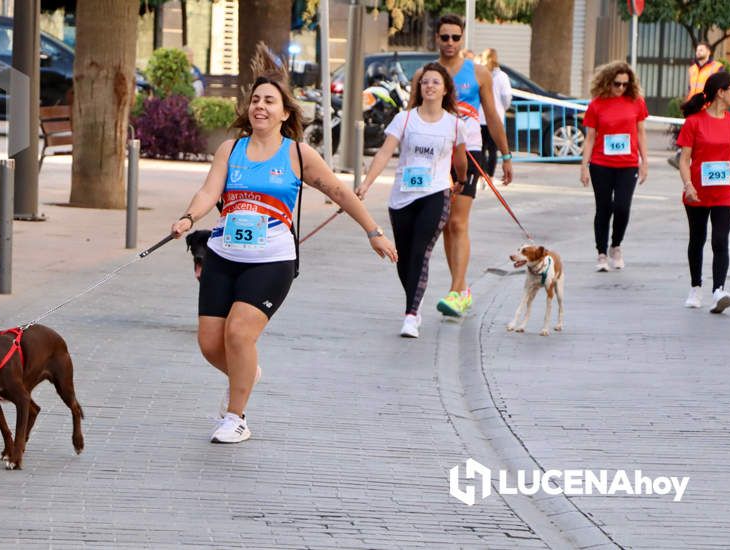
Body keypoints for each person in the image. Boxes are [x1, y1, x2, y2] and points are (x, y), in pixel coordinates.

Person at [170, 44, 398, 444]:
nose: (260, 106)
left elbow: (341, 194)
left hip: (272, 260)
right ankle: (246, 372)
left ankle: (235, 417)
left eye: (269, 101)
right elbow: (209, 192)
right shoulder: (231, 149)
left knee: (239, 334)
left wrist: (373, 232)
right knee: (210, 343)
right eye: (255, 100)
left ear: (285, 113)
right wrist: (190, 216)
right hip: (224, 254)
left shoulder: (297, 153)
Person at [410, 13, 515, 318]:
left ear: (462, 38)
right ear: (437, 39)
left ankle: (457, 291)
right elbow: (411, 116)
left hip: (468, 152)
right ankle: (462, 289)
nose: (451, 43)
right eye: (445, 37)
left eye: (456, 37)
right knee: (444, 225)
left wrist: (506, 156)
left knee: (458, 222)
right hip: (434, 154)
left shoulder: (479, 73)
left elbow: (493, 118)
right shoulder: (425, 75)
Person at [356, 62, 467, 338]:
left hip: (436, 194)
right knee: (405, 259)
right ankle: (414, 304)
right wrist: (366, 183)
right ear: (419, 88)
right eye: (425, 82)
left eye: (435, 82)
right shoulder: (404, 120)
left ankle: (410, 314)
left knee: (421, 252)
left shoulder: (454, 125)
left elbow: (461, 159)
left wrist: (461, 181)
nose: (429, 86)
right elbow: (384, 153)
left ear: (445, 90)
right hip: (402, 198)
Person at [677, 70, 730, 313]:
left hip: (726, 191)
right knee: (697, 239)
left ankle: (719, 291)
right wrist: (688, 185)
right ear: (721, 92)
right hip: (697, 191)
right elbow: (684, 159)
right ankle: (696, 287)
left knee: (720, 240)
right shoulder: (694, 122)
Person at [579, 61, 648, 272]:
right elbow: (590, 137)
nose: (620, 88)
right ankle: (601, 253)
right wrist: (584, 166)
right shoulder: (597, 104)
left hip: (627, 164)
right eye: (617, 84)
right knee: (603, 208)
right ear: (608, 82)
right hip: (601, 164)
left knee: (622, 207)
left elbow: (641, 133)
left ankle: (615, 245)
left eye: (625, 85)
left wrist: (645, 161)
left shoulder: (636, 102)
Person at [668, 42, 724, 168]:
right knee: (690, 134)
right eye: (697, 50)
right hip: (693, 107)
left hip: (707, 107)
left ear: (709, 52)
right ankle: (681, 156)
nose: (698, 52)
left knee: (707, 137)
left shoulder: (716, 67)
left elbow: (720, 87)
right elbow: (691, 88)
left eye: (701, 50)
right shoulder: (692, 68)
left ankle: (697, 159)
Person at [477, 48, 512, 178]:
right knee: (493, 149)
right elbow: (506, 97)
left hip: (480, 116)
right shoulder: (502, 76)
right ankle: (490, 175)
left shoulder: (480, 74)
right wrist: (504, 107)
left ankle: (482, 174)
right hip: (495, 116)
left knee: (480, 148)